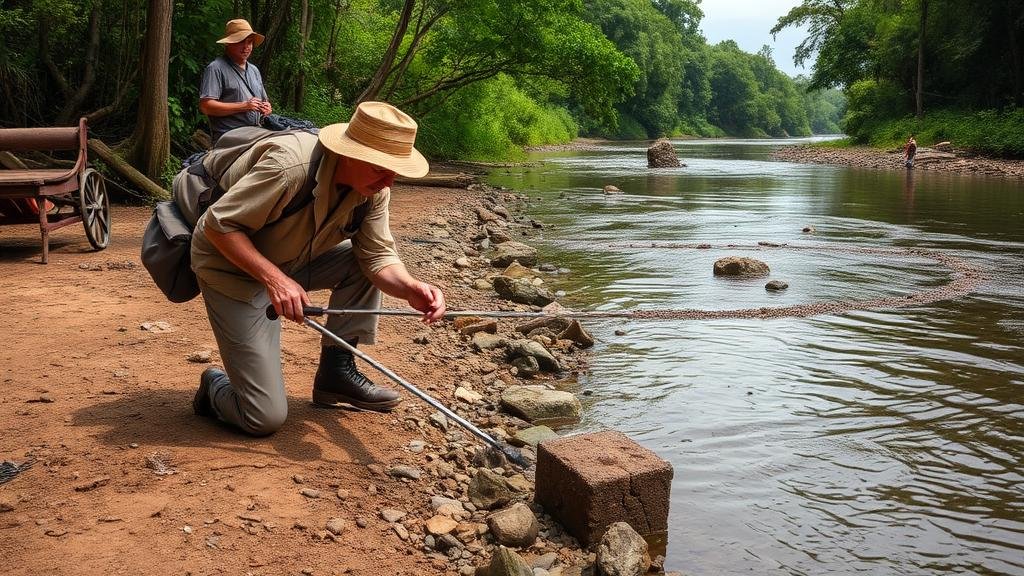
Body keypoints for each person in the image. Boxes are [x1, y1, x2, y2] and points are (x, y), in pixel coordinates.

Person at [189, 101, 446, 436]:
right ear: (351, 153)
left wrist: (410, 287)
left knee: (357, 263)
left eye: (395, 171)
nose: (389, 182)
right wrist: (275, 280)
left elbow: (377, 257)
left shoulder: (373, 189)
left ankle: (336, 374)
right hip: (229, 267)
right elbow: (218, 226)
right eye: (382, 168)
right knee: (262, 418)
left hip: (290, 260)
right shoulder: (288, 167)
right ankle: (214, 386)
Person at [199, 19, 273, 144]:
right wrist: (244, 106)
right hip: (230, 136)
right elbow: (206, 106)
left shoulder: (254, 70)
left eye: (249, 43)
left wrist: (267, 108)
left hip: (256, 132)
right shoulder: (216, 68)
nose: (246, 47)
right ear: (228, 43)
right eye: (240, 42)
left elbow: (265, 101)